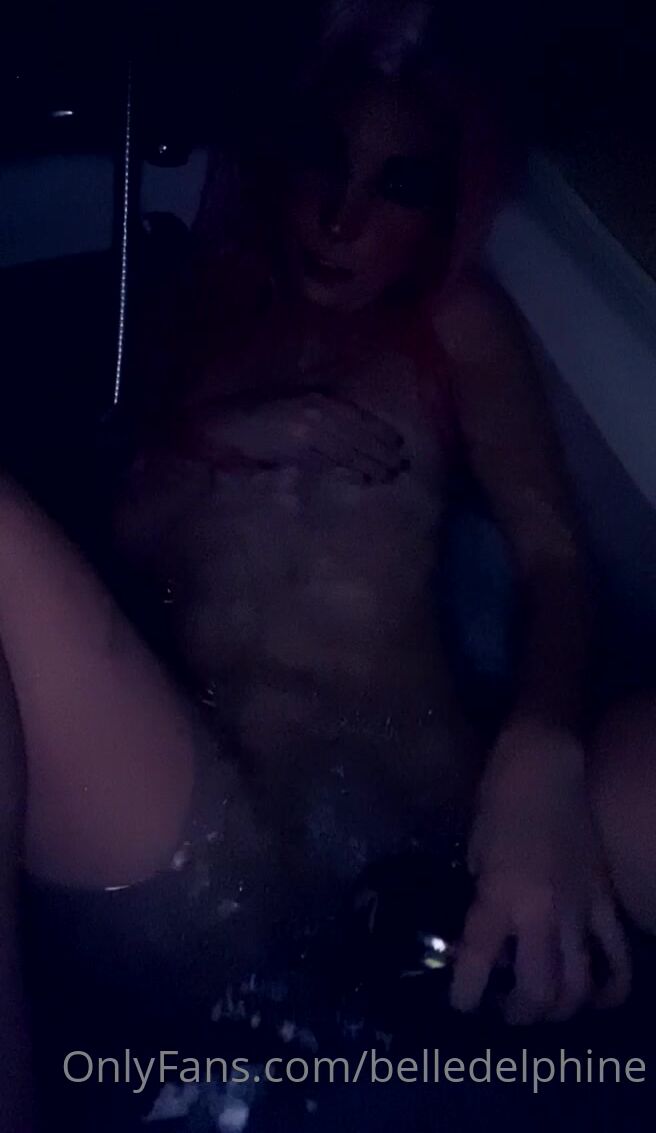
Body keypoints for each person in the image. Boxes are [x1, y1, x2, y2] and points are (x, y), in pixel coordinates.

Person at [112, 16, 638, 1034]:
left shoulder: (454, 325)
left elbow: (554, 558)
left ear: (440, 213)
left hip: (405, 805)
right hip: (203, 806)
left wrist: (541, 746)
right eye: (326, 162)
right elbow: (119, 535)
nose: (339, 219)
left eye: (397, 186)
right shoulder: (214, 310)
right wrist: (220, 436)